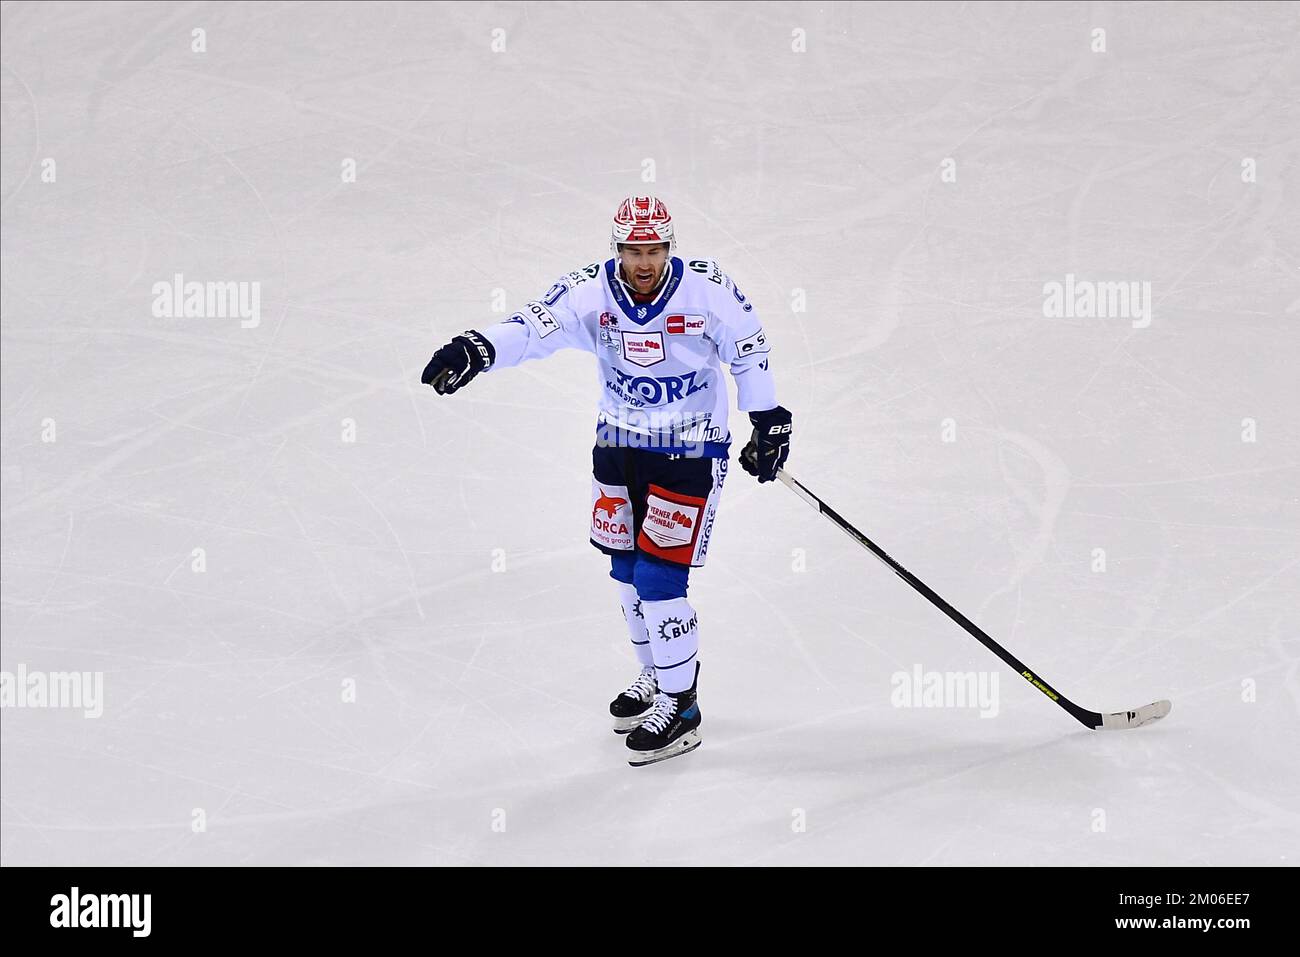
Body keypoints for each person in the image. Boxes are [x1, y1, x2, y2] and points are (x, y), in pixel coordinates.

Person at [421, 195, 792, 766]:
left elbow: (749, 349)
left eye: (654, 249)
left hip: (689, 449)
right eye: (632, 249)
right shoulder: (589, 292)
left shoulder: (708, 290)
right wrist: (480, 348)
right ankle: (655, 676)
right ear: (616, 248)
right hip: (618, 445)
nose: (643, 262)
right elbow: (533, 327)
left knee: (658, 575)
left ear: (670, 247)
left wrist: (767, 420)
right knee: (623, 567)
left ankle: (682, 705)